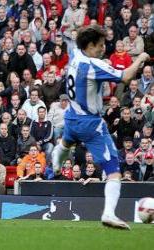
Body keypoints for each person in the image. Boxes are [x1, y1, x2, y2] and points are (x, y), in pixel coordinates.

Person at [51, 25, 150, 230]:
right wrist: (141, 58)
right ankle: (108, 213)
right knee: (114, 170)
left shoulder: (75, 55)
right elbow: (125, 77)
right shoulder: (92, 64)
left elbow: (73, 40)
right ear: (89, 46)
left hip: (71, 117)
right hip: (90, 123)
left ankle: (56, 163)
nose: (103, 49)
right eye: (100, 45)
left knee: (66, 142)